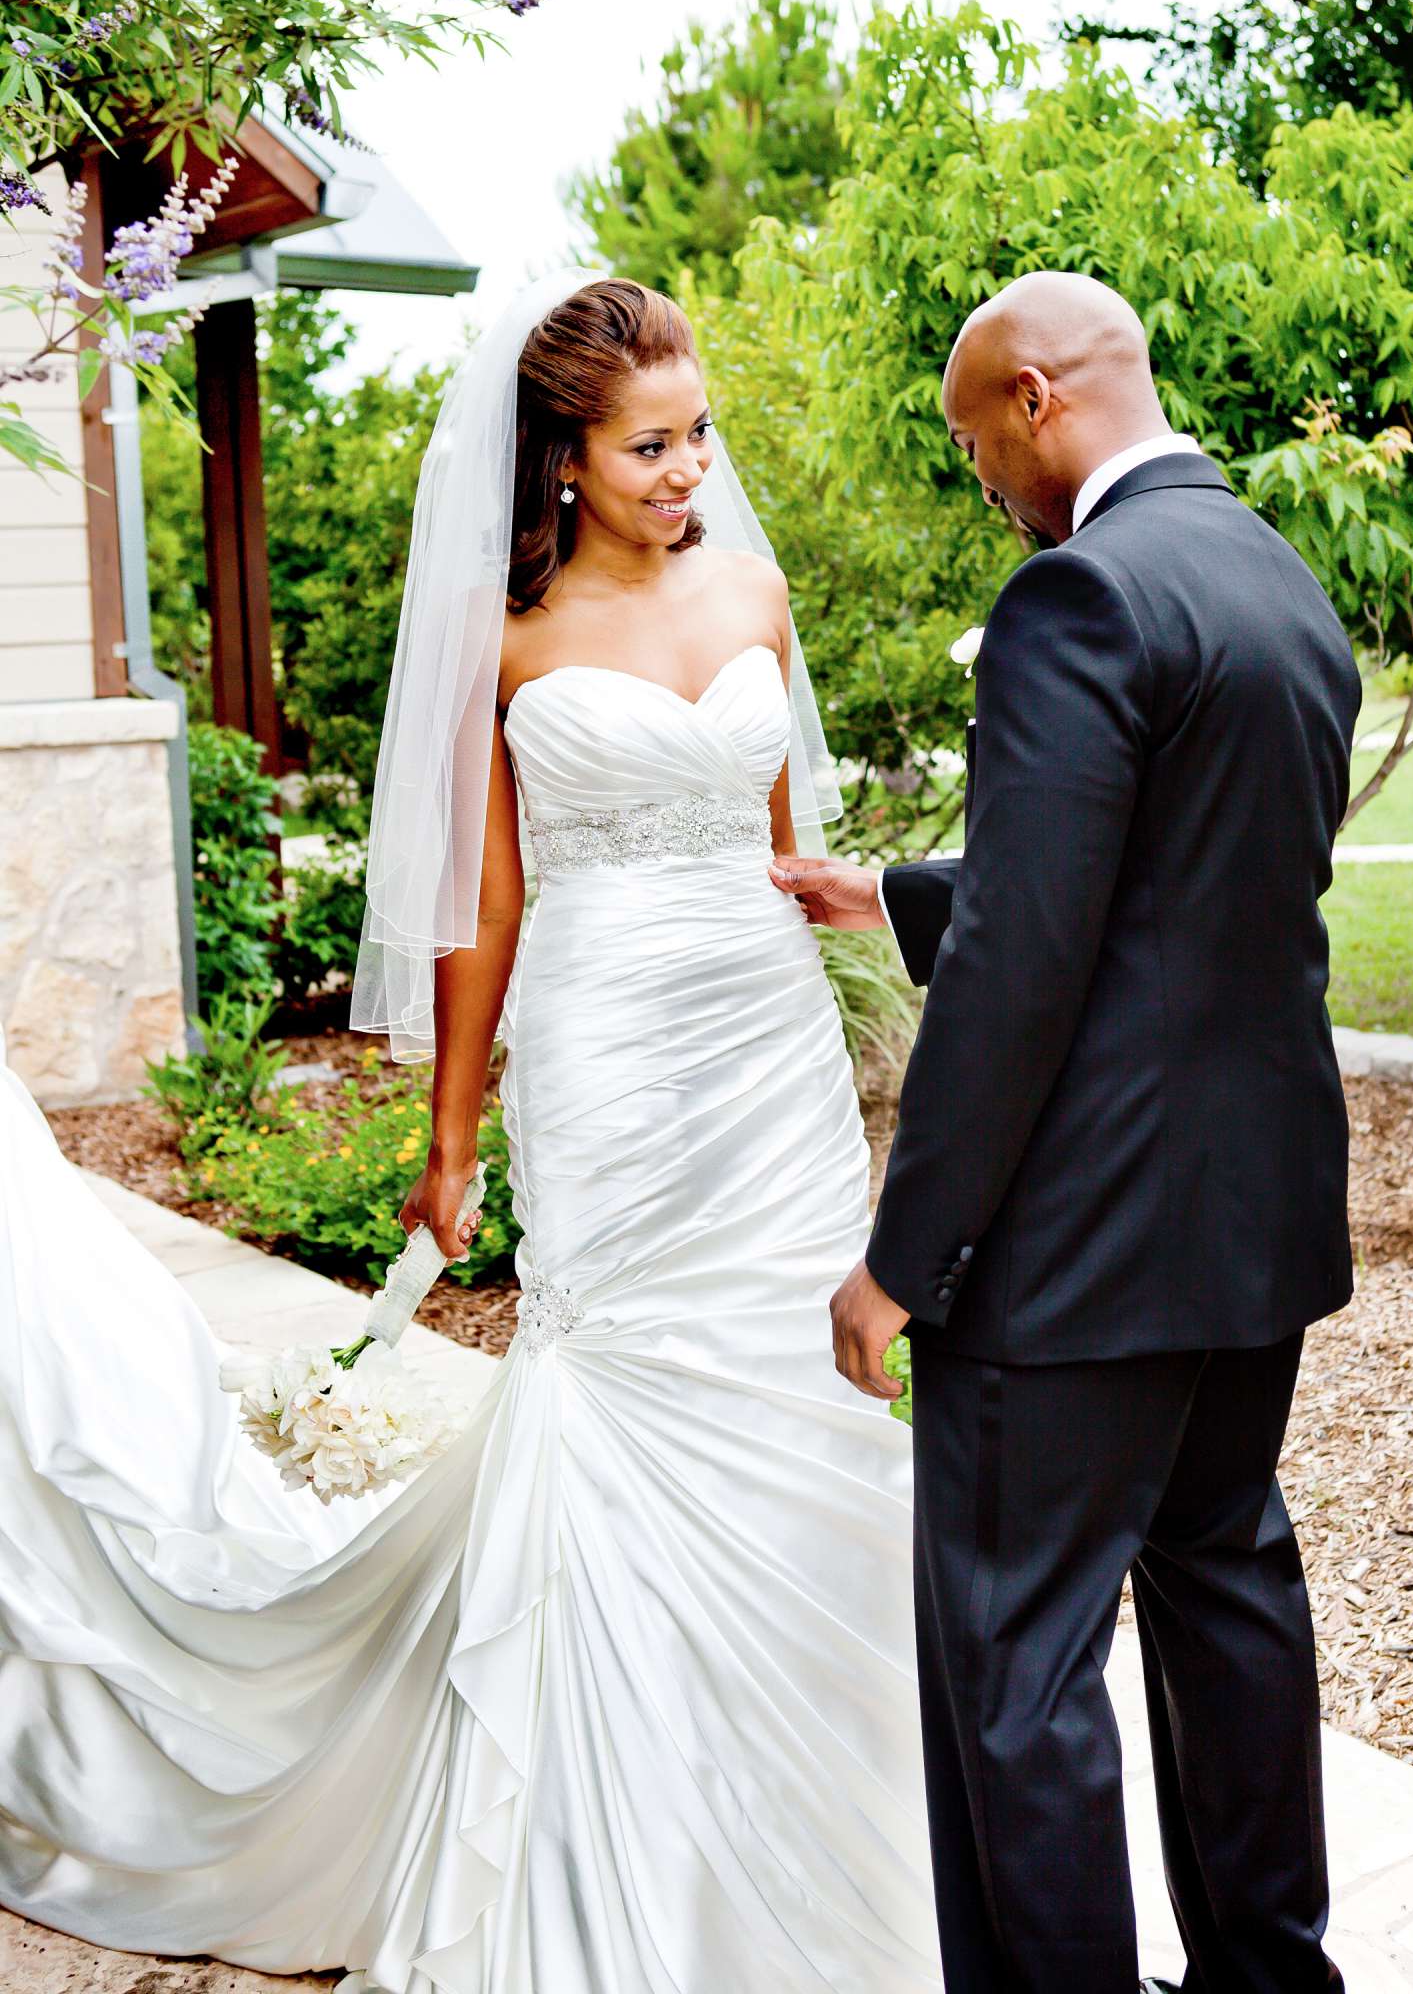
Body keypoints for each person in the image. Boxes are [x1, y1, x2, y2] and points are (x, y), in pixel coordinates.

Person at [0, 277, 939, 1993]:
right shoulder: (506, 639)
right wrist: (454, 1130)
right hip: (603, 1052)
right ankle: (606, 1828)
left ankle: (832, 1758)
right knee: (623, 1382)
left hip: (768, 1060)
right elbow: (480, 913)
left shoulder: (755, 590)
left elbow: (789, 848)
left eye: (698, 436)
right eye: (650, 445)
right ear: (564, 460)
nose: (688, 470)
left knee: (804, 1378)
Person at [776, 270, 1360, 1994]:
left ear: (1035, 397)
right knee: (1225, 1586)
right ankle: (1273, 1977)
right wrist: (887, 889)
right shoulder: (1276, 576)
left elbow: (1032, 969)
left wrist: (901, 1257)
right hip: (1248, 1221)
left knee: (1015, 1665)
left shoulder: (1078, 596)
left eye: (977, 450)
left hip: (1082, 1251)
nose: (986, 486)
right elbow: (1182, 886)